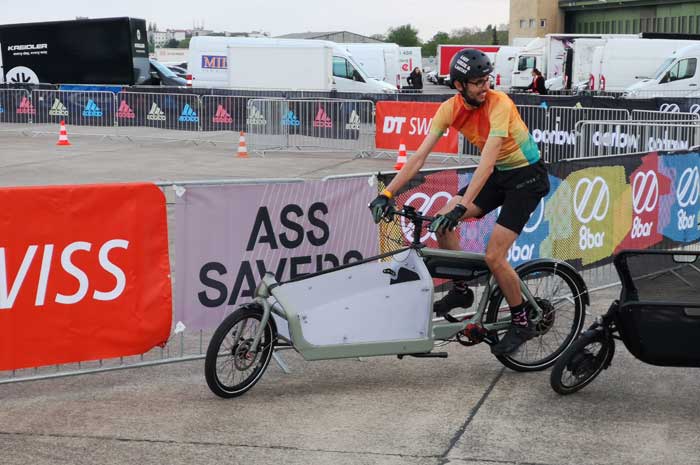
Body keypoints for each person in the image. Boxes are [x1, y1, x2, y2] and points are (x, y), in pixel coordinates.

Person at [368, 49, 550, 355]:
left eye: (486, 80)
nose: (485, 86)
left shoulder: (499, 104)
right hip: (501, 175)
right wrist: (387, 193)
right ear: (459, 85)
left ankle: (522, 321)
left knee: (494, 257)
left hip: (526, 177)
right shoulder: (449, 109)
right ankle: (462, 291)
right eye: (478, 82)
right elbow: (419, 156)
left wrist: (463, 206)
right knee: (442, 222)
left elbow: (488, 163)